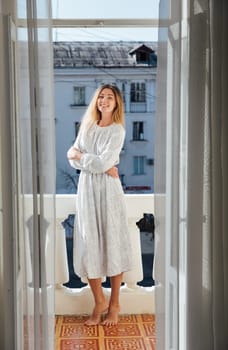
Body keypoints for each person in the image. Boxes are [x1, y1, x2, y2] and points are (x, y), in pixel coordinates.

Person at [67, 84, 134, 326]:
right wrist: (94, 162)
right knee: (89, 243)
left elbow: (101, 161)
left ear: (116, 104)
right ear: (96, 101)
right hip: (86, 190)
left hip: (108, 191)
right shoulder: (87, 126)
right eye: (101, 97)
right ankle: (99, 301)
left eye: (110, 98)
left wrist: (86, 159)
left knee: (112, 242)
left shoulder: (117, 131)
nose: (104, 101)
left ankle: (114, 303)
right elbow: (70, 155)